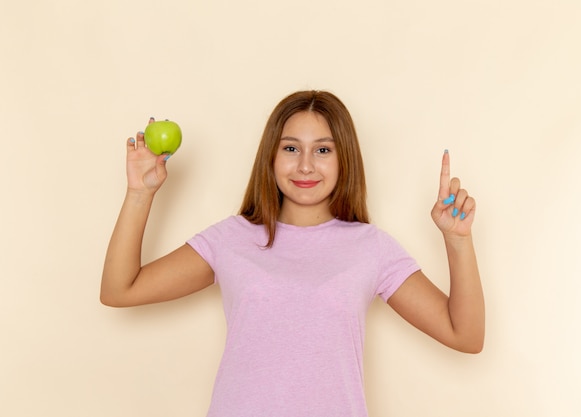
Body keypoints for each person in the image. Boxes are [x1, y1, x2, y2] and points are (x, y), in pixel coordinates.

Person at [101, 90, 485, 417]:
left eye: (322, 150)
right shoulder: (231, 238)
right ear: (271, 155)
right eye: (290, 148)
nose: (305, 165)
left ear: (344, 159)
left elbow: (465, 335)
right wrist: (140, 193)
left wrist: (458, 241)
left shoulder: (371, 247)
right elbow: (120, 290)